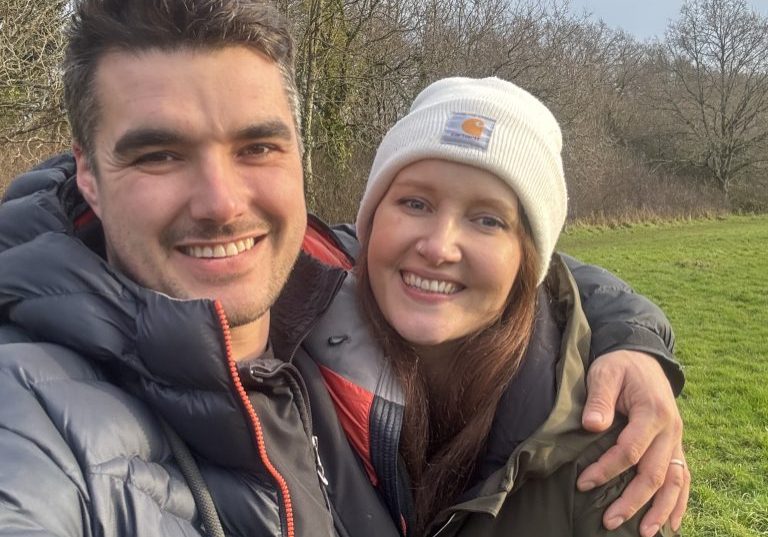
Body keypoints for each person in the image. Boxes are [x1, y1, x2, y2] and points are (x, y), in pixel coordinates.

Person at [0, 1, 685, 536]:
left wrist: (636, 343)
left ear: (299, 154)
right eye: (158, 154)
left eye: (257, 146)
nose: (220, 203)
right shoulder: (33, 412)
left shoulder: (320, 282)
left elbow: (542, 277)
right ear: (86, 173)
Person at [305, 77, 686, 536]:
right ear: (371, 221)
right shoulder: (294, 333)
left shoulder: (600, 450)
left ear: (528, 261)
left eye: (487, 220)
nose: (439, 246)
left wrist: (634, 340)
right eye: (415, 202)